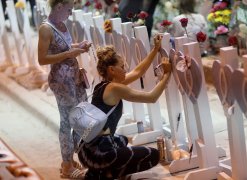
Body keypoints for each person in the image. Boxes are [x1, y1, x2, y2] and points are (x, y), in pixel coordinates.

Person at [77, 34, 171, 179]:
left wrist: (155, 49)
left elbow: (138, 71)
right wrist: (166, 75)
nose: (126, 69)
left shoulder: (103, 86)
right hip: (97, 154)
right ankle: (104, 174)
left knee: (123, 140)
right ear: (111, 70)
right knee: (153, 155)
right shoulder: (115, 88)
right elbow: (152, 98)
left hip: (86, 150)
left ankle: (98, 172)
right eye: (122, 66)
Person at [37, 0, 92, 178]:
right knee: (67, 123)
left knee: (80, 117)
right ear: (59, 6)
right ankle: (67, 164)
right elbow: (43, 59)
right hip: (62, 81)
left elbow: (65, 47)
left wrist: (78, 47)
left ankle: (71, 158)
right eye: (69, 9)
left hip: (73, 77)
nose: (70, 13)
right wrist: (70, 54)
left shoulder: (60, 24)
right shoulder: (46, 28)